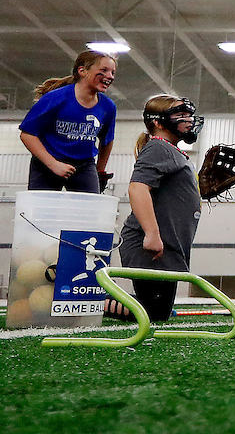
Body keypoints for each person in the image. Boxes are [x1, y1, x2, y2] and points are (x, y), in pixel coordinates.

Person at [111, 95, 203, 322]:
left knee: (159, 312)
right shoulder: (158, 148)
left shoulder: (172, 151)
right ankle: (94, 301)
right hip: (151, 243)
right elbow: (137, 188)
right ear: (158, 122)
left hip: (169, 246)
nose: (188, 120)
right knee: (152, 311)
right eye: (179, 115)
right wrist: (152, 234)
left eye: (188, 114)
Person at [19, 49, 117, 193]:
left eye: (113, 72)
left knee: (88, 210)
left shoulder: (108, 107)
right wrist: (53, 164)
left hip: (84, 165)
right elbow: (27, 134)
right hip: (48, 163)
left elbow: (107, 141)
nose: (110, 76)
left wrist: (99, 171)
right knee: (42, 212)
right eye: (104, 70)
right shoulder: (55, 99)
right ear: (82, 71)